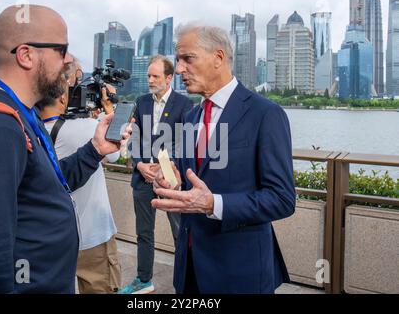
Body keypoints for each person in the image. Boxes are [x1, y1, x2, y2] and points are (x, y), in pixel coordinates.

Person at [0, 5, 131, 294]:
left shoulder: (23, 114)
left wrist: (95, 149)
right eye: (62, 49)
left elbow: (49, 186)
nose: (69, 60)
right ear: (26, 55)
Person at [151, 23, 296, 294]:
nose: (179, 69)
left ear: (218, 58)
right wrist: (173, 179)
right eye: (177, 60)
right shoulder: (191, 117)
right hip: (189, 269)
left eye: (187, 59)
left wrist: (212, 204)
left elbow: (282, 200)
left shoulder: (265, 114)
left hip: (239, 273)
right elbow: (193, 181)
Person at [37, 59, 122, 294]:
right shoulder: (86, 128)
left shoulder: (31, 128)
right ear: (62, 97)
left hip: (51, 237)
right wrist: (109, 109)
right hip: (92, 235)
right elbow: (116, 153)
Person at [119, 55, 193, 294]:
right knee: (143, 233)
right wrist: (139, 164)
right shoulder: (140, 102)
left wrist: (169, 166)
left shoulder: (184, 104)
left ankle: (186, 284)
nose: (149, 80)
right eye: (148, 76)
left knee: (180, 234)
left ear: (169, 78)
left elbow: (187, 144)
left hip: (170, 182)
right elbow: (134, 139)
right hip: (143, 179)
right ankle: (143, 280)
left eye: (155, 76)